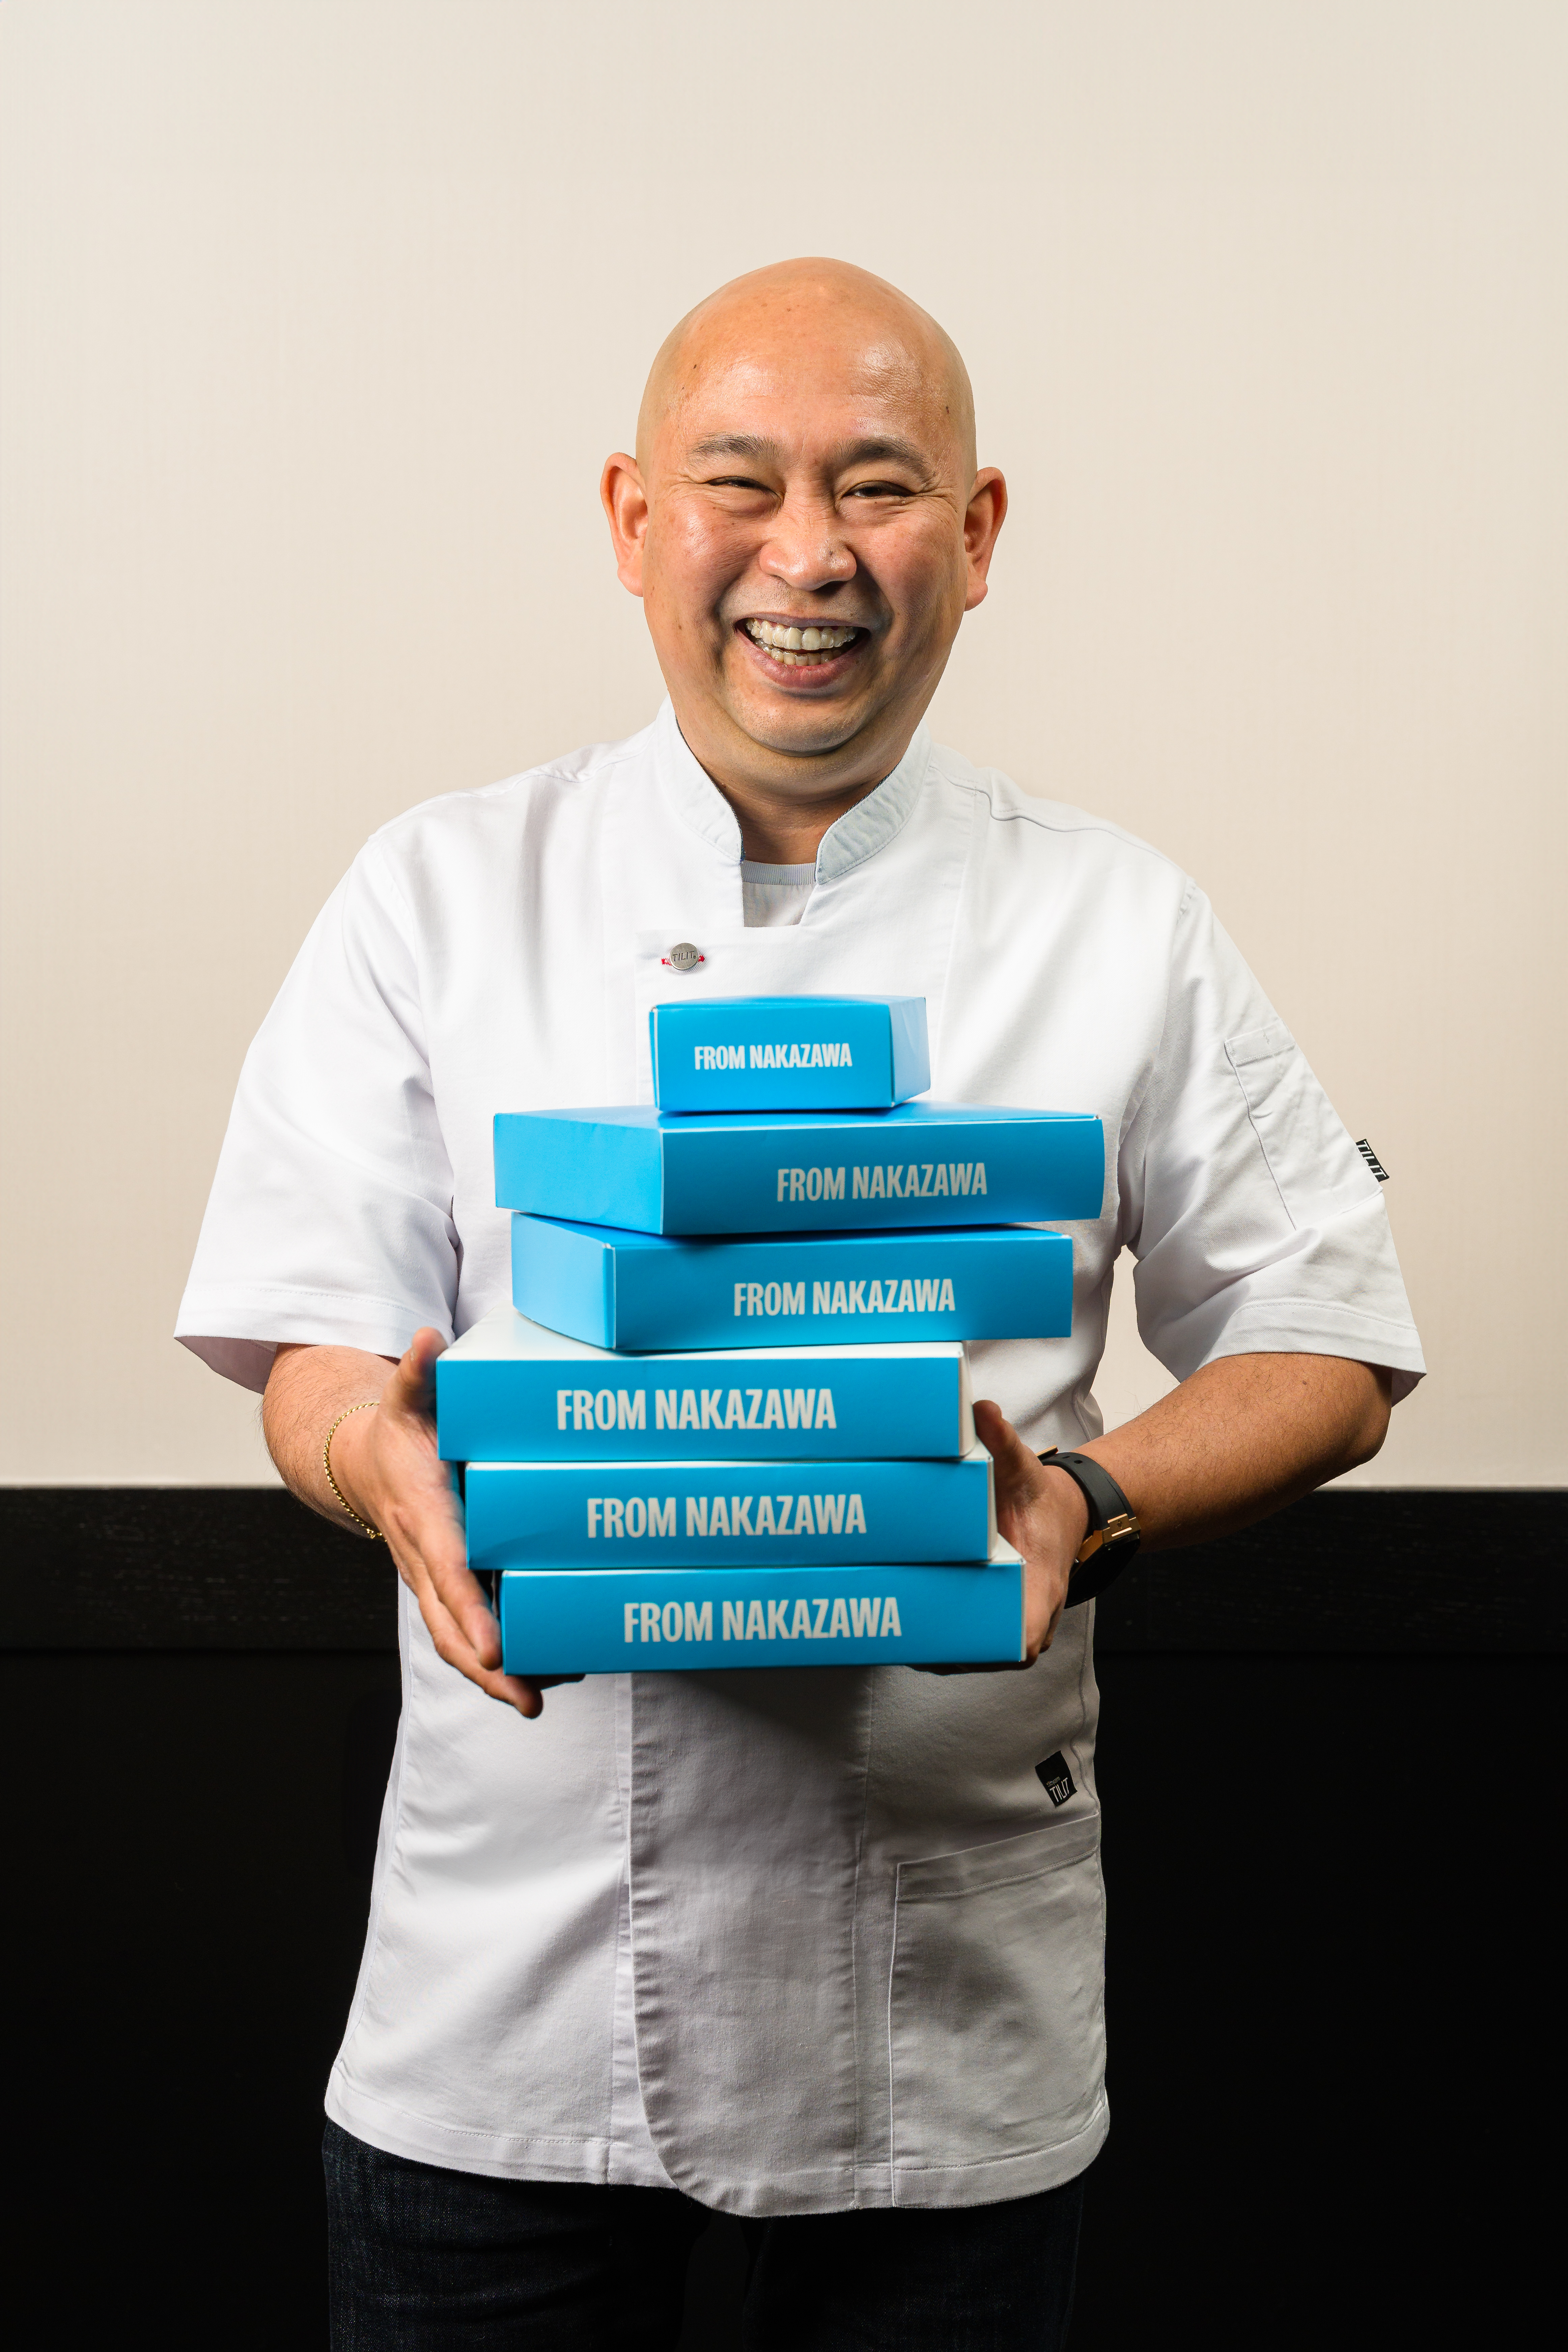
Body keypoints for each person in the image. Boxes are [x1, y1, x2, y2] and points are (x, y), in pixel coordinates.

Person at [177, 258, 1424, 2349]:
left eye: (879, 487)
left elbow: (1328, 1344)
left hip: (939, 1992)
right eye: (737, 483)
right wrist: (369, 1453)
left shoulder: (1114, 919)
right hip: (511, 1985)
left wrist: (1081, 1512)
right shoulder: (438, 890)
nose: (809, 556)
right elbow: (309, 1338)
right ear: (631, 519)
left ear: (980, 530)